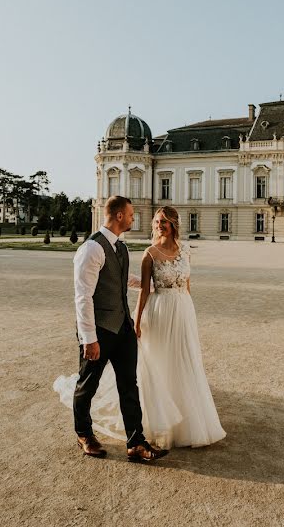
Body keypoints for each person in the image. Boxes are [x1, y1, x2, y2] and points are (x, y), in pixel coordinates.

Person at [59, 195, 168, 462]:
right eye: (131, 215)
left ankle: (136, 443)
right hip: (98, 330)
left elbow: (120, 280)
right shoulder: (91, 249)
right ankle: (84, 434)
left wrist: (151, 286)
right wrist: (88, 339)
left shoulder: (119, 247)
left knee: (129, 386)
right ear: (119, 216)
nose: (133, 219)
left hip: (123, 329)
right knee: (88, 384)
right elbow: (83, 296)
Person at [134, 206, 226, 448]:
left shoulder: (185, 252)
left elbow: (187, 286)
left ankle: (187, 420)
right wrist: (136, 323)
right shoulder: (149, 254)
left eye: (163, 221)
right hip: (160, 311)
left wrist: (189, 313)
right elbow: (144, 292)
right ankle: (160, 422)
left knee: (184, 361)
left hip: (183, 310)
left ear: (173, 224)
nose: (158, 225)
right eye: (156, 221)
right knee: (161, 363)